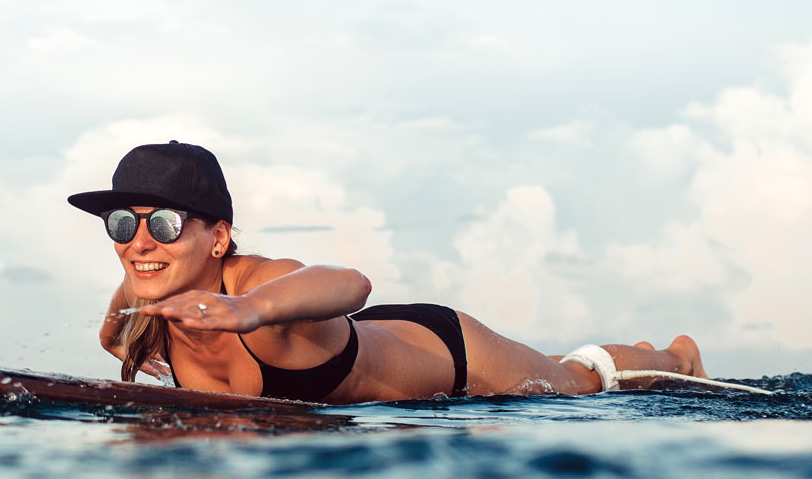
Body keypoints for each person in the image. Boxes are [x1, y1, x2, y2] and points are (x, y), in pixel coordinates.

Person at [69, 141, 707, 403]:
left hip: (446, 351)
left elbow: (350, 285)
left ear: (219, 237)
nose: (140, 242)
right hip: (372, 361)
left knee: (574, 384)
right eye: (123, 224)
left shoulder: (258, 286)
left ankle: (675, 356)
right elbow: (130, 286)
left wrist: (249, 311)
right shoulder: (152, 282)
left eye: (166, 224)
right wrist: (113, 333)